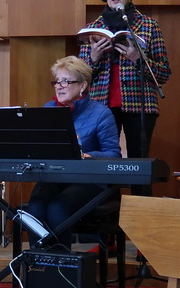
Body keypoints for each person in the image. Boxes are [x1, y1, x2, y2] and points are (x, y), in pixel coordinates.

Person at [78, 0, 170, 191]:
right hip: (101, 106)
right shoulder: (92, 29)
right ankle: (107, 210)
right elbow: (80, 78)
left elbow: (164, 73)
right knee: (105, 165)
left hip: (140, 105)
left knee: (139, 166)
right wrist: (94, 58)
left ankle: (140, 210)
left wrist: (138, 59)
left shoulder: (148, 26)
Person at [25, 57, 121, 249]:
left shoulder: (101, 114)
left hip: (89, 181)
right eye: (57, 81)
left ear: (83, 85)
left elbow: (113, 154)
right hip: (55, 177)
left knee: (58, 207)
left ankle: (61, 263)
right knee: (35, 207)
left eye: (66, 81)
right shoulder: (48, 109)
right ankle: (39, 262)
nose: (59, 86)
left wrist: (88, 156)